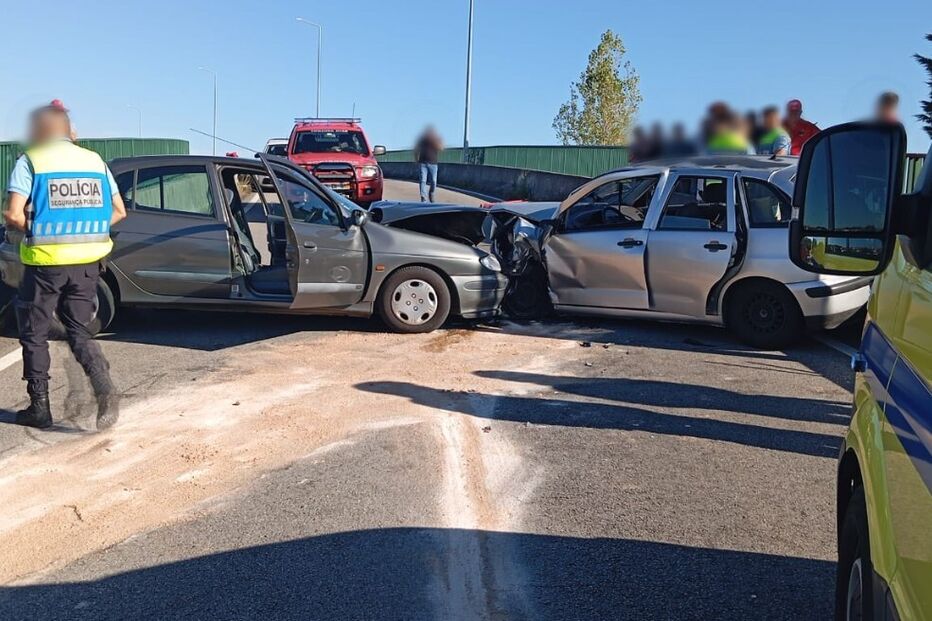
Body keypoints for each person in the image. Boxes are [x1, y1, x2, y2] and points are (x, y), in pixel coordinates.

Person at [4, 101, 126, 430]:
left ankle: (39, 407)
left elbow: (13, 214)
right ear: (69, 131)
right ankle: (105, 390)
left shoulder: (32, 161)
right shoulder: (95, 161)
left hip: (45, 264)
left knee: (34, 333)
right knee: (79, 330)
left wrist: (32, 230)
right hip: (88, 261)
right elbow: (119, 211)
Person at [413, 126, 443, 202]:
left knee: (434, 181)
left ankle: (431, 193)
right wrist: (416, 159)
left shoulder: (436, 139)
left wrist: (435, 142)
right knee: (423, 180)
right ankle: (424, 198)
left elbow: (441, 148)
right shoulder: (422, 139)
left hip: (433, 163)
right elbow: (416, 149)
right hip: (423, 163)